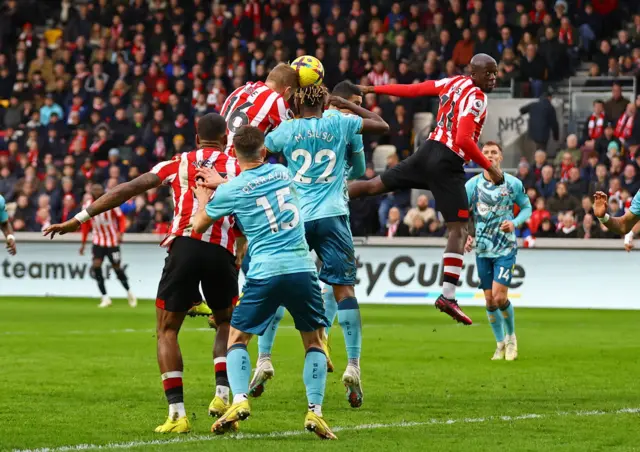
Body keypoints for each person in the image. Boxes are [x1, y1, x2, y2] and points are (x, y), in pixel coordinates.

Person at [43, 113, 241, 434]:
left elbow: (129, 188)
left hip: (185, 244)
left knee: (166, 330)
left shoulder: (178, 162)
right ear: (225, 138)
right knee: (225, 323)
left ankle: (178, 415)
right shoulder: (236, 166)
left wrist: (78, 219)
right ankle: (222, 395)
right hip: (222, 248)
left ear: (195, 136)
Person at [192, 126, 336, 440]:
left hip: (264, 272)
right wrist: (225, 183)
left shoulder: (230, 191)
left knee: (237, 339)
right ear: (263, 152)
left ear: (233, 153)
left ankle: (241, 400)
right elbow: (259, 185)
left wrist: (205, 196)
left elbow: (198, 226)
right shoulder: (283, 173)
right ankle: (315, 411)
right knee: (314, 342)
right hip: (302, 269)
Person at [253, 83, 388, 409]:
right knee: (344, 291)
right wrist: (346, 106)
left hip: (296, 217)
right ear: (328, 101)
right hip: (333, 215)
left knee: (279, 286)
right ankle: (353, 364)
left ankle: (264, 358)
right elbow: (377, 133)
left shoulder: (288, 129)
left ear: (298, 103)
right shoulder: (341, 123)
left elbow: (261, 150)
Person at [352, 53, 504, 326]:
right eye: (488, 73)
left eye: (495, 73)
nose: (493, 78)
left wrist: (373, 89)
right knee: (459, 229)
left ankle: (329, 192)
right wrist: (490, 167)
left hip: (427, 151)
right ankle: (447, 295)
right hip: (447, 162)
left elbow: (414, 89)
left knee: (375, 186)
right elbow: (464, 140)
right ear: (475, 73)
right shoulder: (478, 98)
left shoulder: (454, 82)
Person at [464, 142, 531, 361]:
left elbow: (527, 207)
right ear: (479, 157)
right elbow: (462, 214)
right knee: (489, 301)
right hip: (482, 250)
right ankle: (500, 343)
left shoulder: (512, 183)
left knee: (500, 297)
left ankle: (512, 338)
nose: (490, 156)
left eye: (494, 152)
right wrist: (466, 235)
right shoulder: (472, 185)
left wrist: (514, 222)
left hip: (505, 248)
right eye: (486, 153)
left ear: (500, 157)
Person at [219, 63, 298, 156]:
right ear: (287, 90)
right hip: (238, 163)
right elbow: (294, 134)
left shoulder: (239, 89)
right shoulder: (276, 99)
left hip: (216, 158)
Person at [79, 183, 136, 308]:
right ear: (92, 192)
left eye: (99, 189)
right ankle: (105, 297)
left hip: (112, 241)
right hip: (97, 241)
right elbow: (85, 226)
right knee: (96, 266)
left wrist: (121, 232)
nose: (97, 192)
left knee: (116, 268)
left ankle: (129, 292)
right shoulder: (87, 206)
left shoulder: (110, 202)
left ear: (102, 191)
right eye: (94, 190)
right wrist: (83, 243)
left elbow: (121, 218)